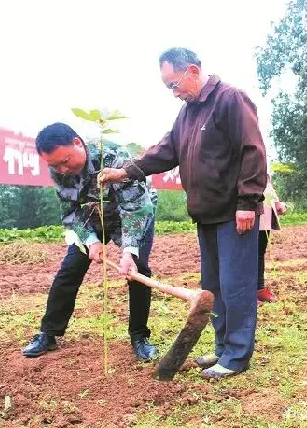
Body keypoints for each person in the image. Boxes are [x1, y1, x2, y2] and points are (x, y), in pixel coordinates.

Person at [98, 47, 267, 379]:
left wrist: (248, 202)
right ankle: (222, 348)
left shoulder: (230, 99)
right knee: (214, 286)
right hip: (206, 214)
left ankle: (237, 355)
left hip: (234, 212)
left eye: (173, 85)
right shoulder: (187, 113)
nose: (173, 93)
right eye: (167, 88)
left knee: (236, 285)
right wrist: (126, 170)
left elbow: (253, 150)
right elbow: (166, 151)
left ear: (192, 70)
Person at [22, 123, 158, 362]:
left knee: (137, 271)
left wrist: (129, 251)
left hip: (134, 212)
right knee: (70, 268)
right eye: (54, 165)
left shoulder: (115, 158)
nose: (63, 169)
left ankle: (139, 336)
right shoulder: (59, 170)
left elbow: (134, 207)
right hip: (93, 215)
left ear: (78, 143)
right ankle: (49, 332)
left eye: (66, 161)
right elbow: (70, 212)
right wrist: (92, 241)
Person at [257, 174, 287, 304]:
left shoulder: (264, 154)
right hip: (243, 202)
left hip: (264, 202)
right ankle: (246, 292)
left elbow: (266, 179)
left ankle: (259, 288)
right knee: (244, 251)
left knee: (259, 251)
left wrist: (275, 200)